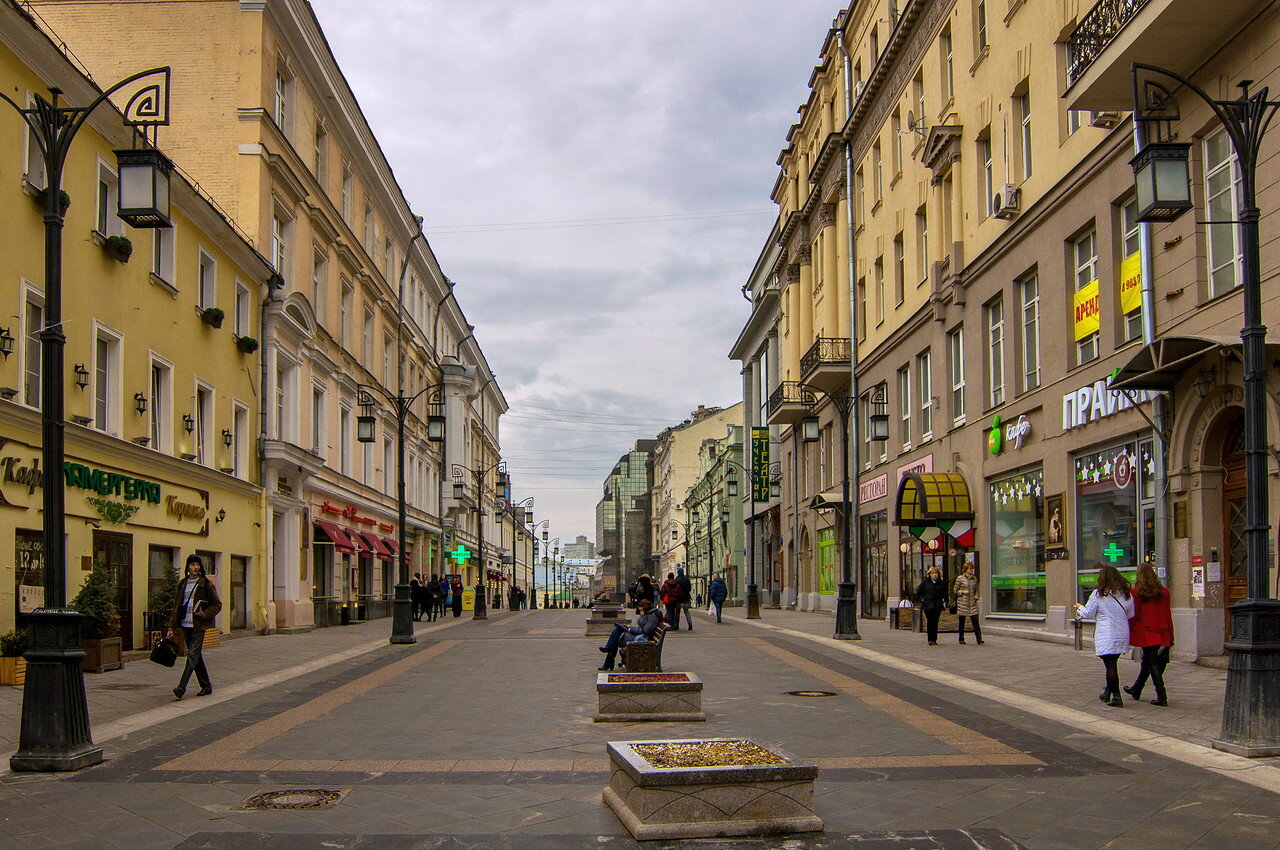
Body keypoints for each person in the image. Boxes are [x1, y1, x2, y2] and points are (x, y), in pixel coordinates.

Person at [1075, 564, 1135, 707]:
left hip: (1106, 633)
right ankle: (1107, 692)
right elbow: (1131, 614)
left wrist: (1079, 608)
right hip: (1122, 632)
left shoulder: (1098, 594)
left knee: (1110, 666)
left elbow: (1088, 614)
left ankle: (1117, 697)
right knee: (1112, 662)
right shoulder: (1127, 594)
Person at [166, 554, 222, 700]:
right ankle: (206, 686)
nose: (195, 567)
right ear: (188, 567)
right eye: (192, 565)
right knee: (196, 656)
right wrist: (171, 627)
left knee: (191, 655)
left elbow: (217, 604)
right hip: (185, 624)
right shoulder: (182, 584)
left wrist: (204, 614)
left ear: (200, 567)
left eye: (197, 565)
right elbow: (176, 607)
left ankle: (181, 687)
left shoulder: (205, 584)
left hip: (198, 625)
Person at [1125, 563, 1174, 706]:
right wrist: (1171, 635)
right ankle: (1136, 689)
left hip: (1146, 631)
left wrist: (1130, 631)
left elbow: (1134, 615)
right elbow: (1167, 614)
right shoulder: (1164, 592)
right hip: (1162, 631)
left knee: (1151, 664)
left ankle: (1161, 695)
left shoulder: (1136, 593)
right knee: (1148, 663)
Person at [598, 598, 662, 670]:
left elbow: (646, 631)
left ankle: (608, 659)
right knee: (617, 629)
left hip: (643, 638)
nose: (640, 612)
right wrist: (630, 628)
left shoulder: (652, 617)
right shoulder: (649, 615)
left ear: (646, 609)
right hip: (638, 635)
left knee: (616, 635)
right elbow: (642, 628)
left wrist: (631, 629)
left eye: (641, 610)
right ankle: (608, 655)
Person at [952, 562, 983, 645]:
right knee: (962, 621)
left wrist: (976, 597)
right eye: (969, 568)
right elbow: (955, 590)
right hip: (963, 602)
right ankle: (961, 638)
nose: (971, 570)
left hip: (972, 603)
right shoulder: (960, 578)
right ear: (965, 570)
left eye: (972, 568)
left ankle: (979, 639)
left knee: (975, 621)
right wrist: (962, 592)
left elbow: (977, 589)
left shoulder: (974, 579)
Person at [915, 566, 948, 646]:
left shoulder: (941, 583)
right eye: (933, 573)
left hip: (937, 605)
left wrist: (944, 600)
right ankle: (930, 639)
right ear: (929, 574)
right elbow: (918, 591)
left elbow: (945, 593)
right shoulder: (925, 582)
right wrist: (922, 600)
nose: (934, 575)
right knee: (930, 622)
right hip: (928, 605)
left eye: (936, 573)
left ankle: (934, 639)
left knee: (935, 622)